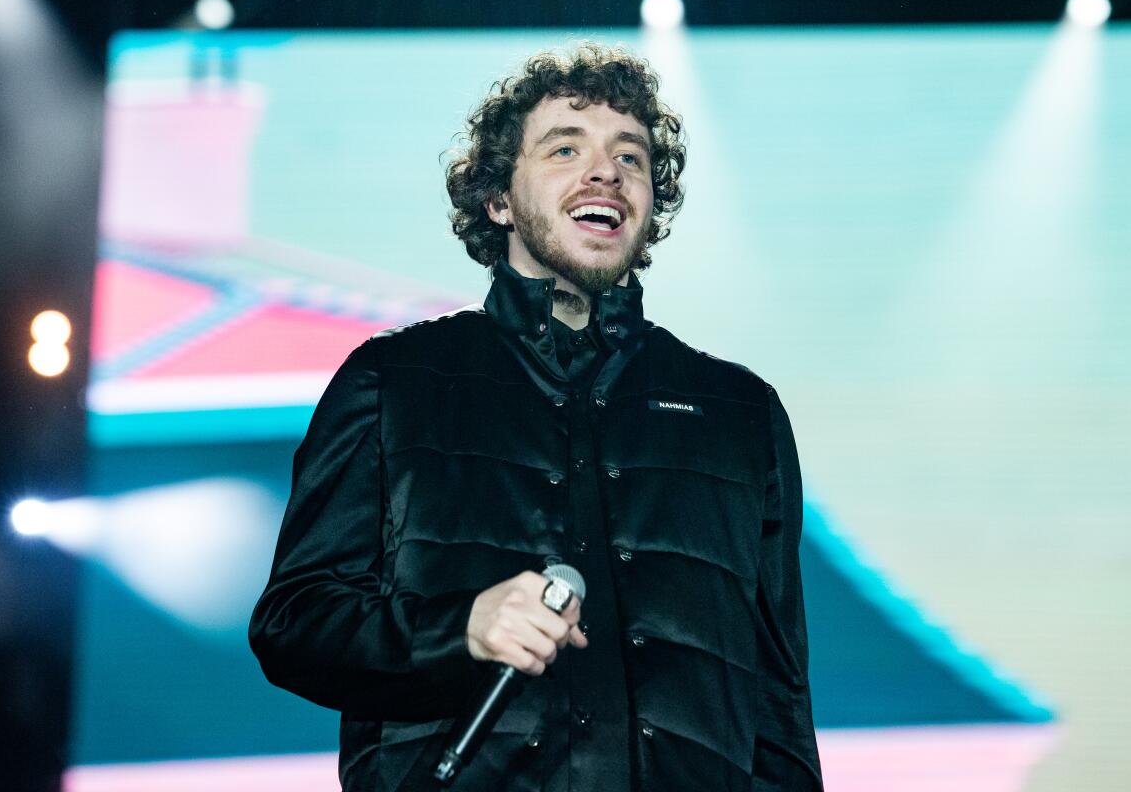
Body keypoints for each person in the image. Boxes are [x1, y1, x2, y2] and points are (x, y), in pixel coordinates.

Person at [249, 43, 822, 792]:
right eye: (564, 148)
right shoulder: (392, 382)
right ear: (498, 200)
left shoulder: (740, 412)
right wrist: (462, 627)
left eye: (632, 157)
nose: (606, 172)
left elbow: (779, 706)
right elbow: (294, 623)